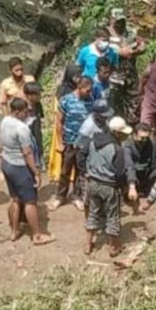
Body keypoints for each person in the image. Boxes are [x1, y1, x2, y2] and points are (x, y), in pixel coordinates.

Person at [0, 98, 53, 245]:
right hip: (20, 167)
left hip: (7, 163)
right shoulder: (21, 128)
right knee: (30, 201)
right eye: (25, 111)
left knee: (15, 198)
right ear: (18, 111)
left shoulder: (5, 121)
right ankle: (37, 235)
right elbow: (27, 153)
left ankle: (14, 231)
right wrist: (36, 172)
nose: (27, 114)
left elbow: (1, 142)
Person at [83, 116, 137, 256]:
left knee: (93, 213)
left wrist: (87, 172)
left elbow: (81, 156)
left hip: (93, 183)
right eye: (124, 133)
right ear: (117, 133)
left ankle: (88, 244)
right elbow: (119, 173)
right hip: (109, 186)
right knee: (113, 216)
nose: (125, 136)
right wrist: (123, 187)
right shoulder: (117, 149)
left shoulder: (92, 141)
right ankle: (113, 247)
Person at [51, 76, 94, 210]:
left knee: (81, 171)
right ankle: (60, 196)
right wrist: (59, 142)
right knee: (65, 170)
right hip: (69, 141)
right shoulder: (66, 100)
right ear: (79, 88)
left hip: (84, 143)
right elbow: (59, 122)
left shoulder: (91, 101)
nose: (90, 92)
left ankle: (77, 196)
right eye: (87, 90)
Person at [120, 122, 156, 214]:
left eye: (146, 138)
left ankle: (151, 190)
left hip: (147, 172)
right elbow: (129, 165)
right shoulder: (127, 146)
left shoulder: (151, 143)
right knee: (124, 175)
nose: (144, 140)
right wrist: (132, 186)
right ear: (134, 135)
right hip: (132, 174)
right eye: (142, 138)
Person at [46, 63, 82, 185]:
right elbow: (58, 111)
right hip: (62, 126)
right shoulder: (62, 90)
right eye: (75, 76)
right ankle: (57, 174)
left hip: (75, 128)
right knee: (61, 152)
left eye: (79, 75)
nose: (78, 78)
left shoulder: (79, 89)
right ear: (70, 75)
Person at [108, 7, 145, 118]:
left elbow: (141, 43)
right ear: (112, 20)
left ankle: (132, 128)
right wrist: (118, 52)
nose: (120, 24)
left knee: (134, 105)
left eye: (122, 21)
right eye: (117, 21)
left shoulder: (131, 31)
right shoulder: (106, 33)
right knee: (113, 106)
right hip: (114, 76)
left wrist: (140, 48)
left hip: (130, 74)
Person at [24, 81, 45, 172]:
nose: (40, 96)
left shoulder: (38, 105)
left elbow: (41, 118)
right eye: (38, 94)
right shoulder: (21, 108)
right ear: (29, 95)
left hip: (37, 138)